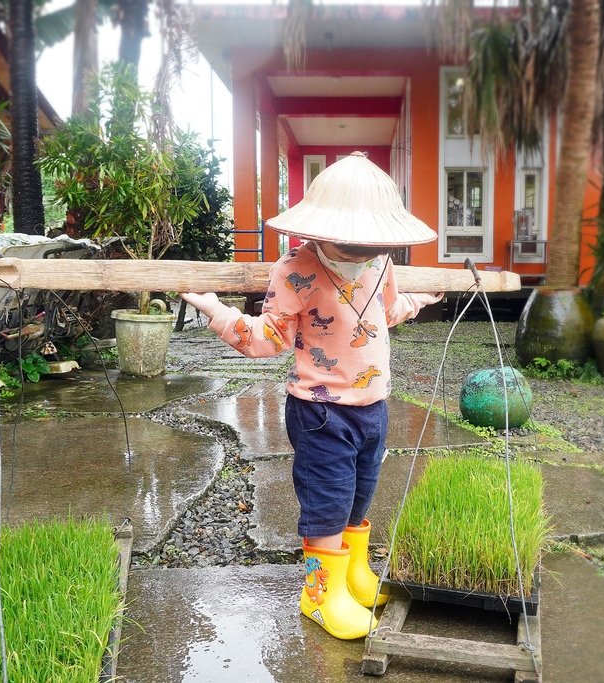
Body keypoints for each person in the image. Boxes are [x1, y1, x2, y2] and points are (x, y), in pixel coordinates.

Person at [181, 152, 441, 640]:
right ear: (320, 231)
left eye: (371, 243)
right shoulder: (295, 268)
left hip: (373, 406)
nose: (360, 251)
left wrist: (417, 302)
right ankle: (319, 595)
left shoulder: (380, 263)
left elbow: (381, 312)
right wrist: (216, 311)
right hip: (321, 412)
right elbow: (266, 338)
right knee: (328, 498)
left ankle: (353, 573)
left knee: (360, 494)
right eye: (351, 243)